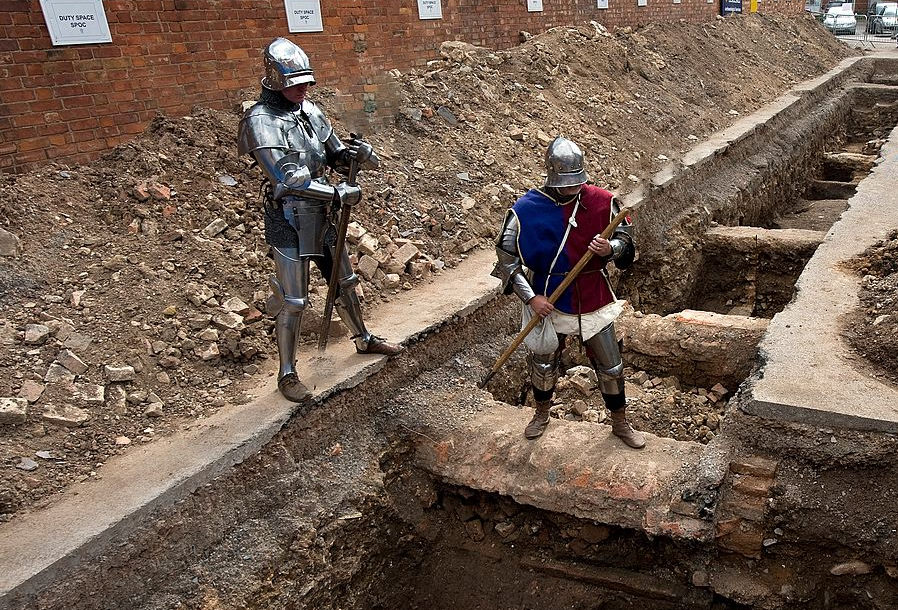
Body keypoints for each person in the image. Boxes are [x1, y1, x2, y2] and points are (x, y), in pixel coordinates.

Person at [237, 37, 402, 403]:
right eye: (295, 83)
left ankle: (362, 338)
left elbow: (336, 156)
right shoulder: (259, 120)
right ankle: (287, 372)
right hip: (289, 218)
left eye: (306, 82)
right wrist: (338, 194)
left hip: (324, 216)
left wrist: (360, 155)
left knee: (343, 281)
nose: (303, 89)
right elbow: (286, 177)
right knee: (294, 300)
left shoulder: (311, 112)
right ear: (276, 80)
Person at [493, 136, 644, 448]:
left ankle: (620, 423)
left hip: (592, 290)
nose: (574, 187)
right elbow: (507, 260)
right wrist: (531, 297)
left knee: (611, 363)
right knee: (543, 361)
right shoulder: (525, 210)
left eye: (577, 181)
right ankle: (541, 414)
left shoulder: (603, 201)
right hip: (548, 292)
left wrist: (610, 247)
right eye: (567, 182)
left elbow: (626, 241)